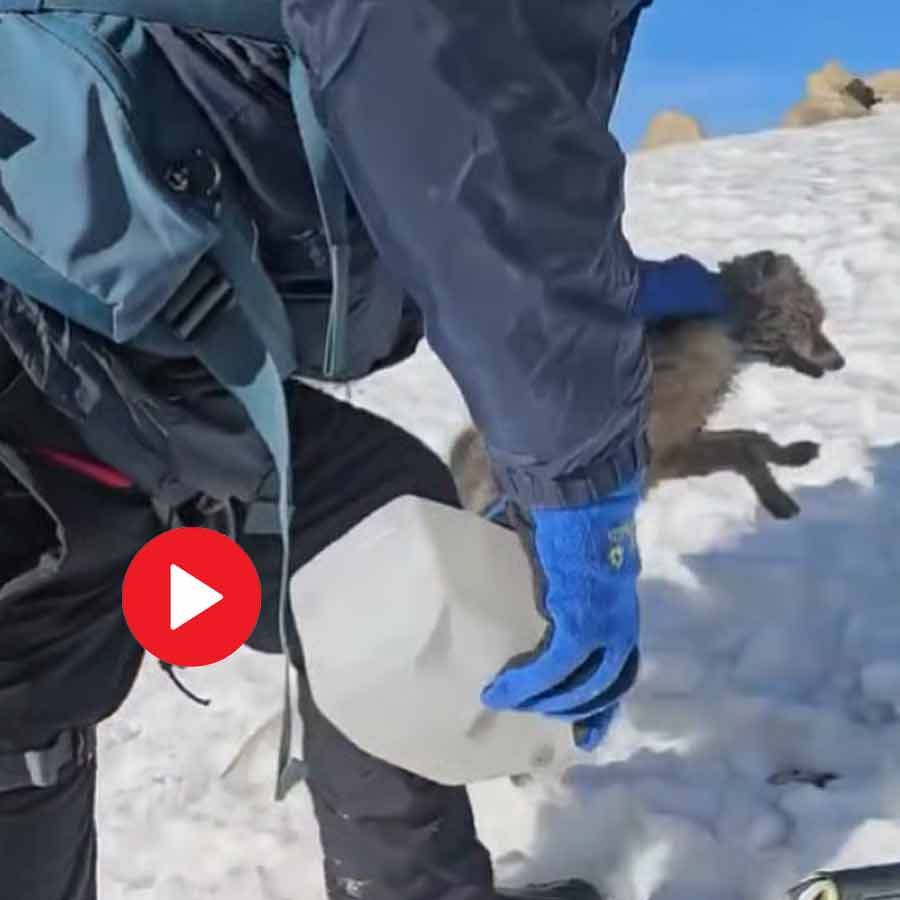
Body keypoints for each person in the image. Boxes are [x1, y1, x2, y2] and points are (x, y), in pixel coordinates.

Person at [0, 2, 729, 898]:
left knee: (375, 522)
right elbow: (452, 110)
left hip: (139, 349)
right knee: (21, 695)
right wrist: (576, 475)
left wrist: (589, 349)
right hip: (41, 339)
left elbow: (491, 158)